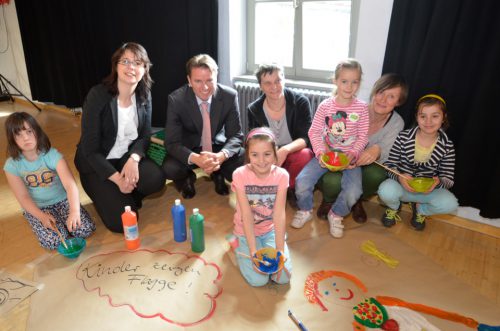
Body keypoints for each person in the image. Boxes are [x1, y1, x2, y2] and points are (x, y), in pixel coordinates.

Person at [75, 42, 166, 233]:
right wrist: (118, 180)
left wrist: (134, 159)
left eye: (138, 62)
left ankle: (127, 194)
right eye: (125, 61)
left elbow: (145, 136)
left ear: (144, 69)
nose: (131, 67)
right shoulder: (98, 95)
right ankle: (114, 191)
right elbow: (90, 150)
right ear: (116, 65)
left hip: (124, 157)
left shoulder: (144, 94)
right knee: (121, 224)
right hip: (96, 164)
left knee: (155, 179)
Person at [291, 59, 369, 238]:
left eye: (354, 82)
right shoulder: (325, 106)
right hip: (325, 153)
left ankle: (336, 214)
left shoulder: (362, 108)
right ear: (335, 81)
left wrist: (353, 154)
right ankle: (305, 210)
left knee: (354, 191)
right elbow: (314, 132)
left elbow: (363, 136)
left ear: (359, 83)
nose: (349, 87)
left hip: (350, 157)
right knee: (302, 182)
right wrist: (321, 153)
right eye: (344, 81)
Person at [316, 74, 408, 222]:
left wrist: (377, 150)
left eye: (391, 96)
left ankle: (355, 200)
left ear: (399, 101)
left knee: (377, 174)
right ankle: (328, 200)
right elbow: (323, 130)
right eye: (381, 92)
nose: (383, 100)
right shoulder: (355, 108)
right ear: (374, 91)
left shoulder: (397, 122)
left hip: (364, 167)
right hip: (338, 158)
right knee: (332, 181)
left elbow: (388, 156)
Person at [4, 112, 95, 249]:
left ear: (37, 132)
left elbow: (70, 186)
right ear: (12, 139)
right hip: (38, 207)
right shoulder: (11, 166)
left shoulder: (52, 155)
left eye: (29, 131)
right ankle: (51, 224)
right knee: (54, 242)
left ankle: (69, 219)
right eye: (18, 134)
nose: (25, 138)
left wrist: (74, 211)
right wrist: (41, 216)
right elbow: (23, 197)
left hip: (62, 201)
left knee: (84, 230)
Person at [162, 54, 244, 199]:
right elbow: (171, 143)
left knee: (245, 159)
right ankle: (187, 178)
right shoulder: (176, 100)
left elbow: (236, 135)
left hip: (217, 146)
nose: (205, 87)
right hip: (190, 148)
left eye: (209, 80)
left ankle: (218, 173)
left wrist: (221, 156)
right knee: (170, 168)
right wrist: (196, 159)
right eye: (198, 81)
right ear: (189, 80)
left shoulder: (229, 96)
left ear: (216, 76)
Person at [378, 94, 458, 230]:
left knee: (451, 204)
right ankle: (394, 208)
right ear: (417, 117)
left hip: (427, 193)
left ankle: (421, 210)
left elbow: (448, 178)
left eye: (435, 116)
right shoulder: (403, 137)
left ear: (443, 118)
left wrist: (437, 183)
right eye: (423, 116)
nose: (428, 121)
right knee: (385, 190)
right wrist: (399, 177)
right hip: (402, 187)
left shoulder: (447, 146)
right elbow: (389, 165)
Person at [231, 127, 292, 287]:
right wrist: (252, 251)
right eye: (254, 155)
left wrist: (280, 252)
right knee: (259, 280)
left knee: (283, 277)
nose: (262, 160)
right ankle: (237, 244)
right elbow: (246, 214)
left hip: (269, 230)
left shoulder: (282, 175)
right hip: (246, 231)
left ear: (275, 153)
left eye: (267, 154)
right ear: (248, 155)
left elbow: (279, 215)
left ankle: (272, 248)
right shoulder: (239, 174)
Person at [247, 63, 314, 206]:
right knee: (247, 157)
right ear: (260, 86)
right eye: (268, 83)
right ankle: (268, 189)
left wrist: (284, 150)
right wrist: (268, 155)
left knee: (306, 154)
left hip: (293, 151)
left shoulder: (301, 102)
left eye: (278, 80)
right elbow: (254, 141)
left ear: (284, 79)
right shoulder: (254, 109)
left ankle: (288, 189)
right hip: (269, 154)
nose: (274, 87)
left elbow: (306, 138)